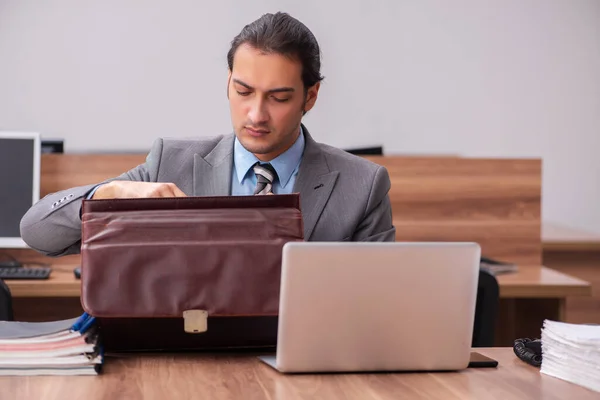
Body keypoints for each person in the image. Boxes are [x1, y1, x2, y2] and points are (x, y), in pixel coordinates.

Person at [20, 12, 395, 257]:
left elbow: (381, 301)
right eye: (243, 91)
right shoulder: (171, 162)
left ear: (310, 97)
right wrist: (108, 193)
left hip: (305, 361)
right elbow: (37, 231)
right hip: (192, 358)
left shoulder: (362, 184)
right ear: (228, 84)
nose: (256, 114)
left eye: (278, 98)